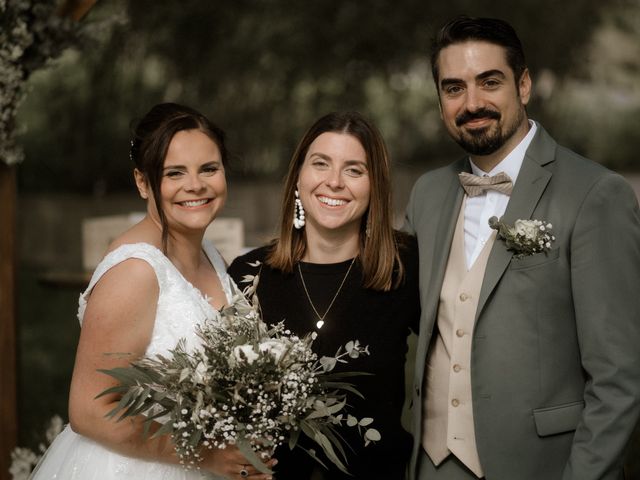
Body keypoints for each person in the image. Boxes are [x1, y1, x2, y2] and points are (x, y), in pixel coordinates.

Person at [404, 15, 640, 480]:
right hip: (430, 465)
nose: (472, 103)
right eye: (453, 88)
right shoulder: (427, 194)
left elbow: (620, 377)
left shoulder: (595, 194)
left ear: (524, 85)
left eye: (489, 82)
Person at [31, 103, 275, 480]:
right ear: (143, 182)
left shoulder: (210, 253)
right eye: (173, 173)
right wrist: (205, 455)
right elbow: (90, 410)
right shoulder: (136, 271)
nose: (195, 185)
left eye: (209, 168)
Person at [228, 111, 420, 479]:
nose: (334, 182)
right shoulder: (249, 275)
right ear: (298, 177)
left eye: (354, 170)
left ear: (374, 185)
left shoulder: (406, 268)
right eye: (321, 164)